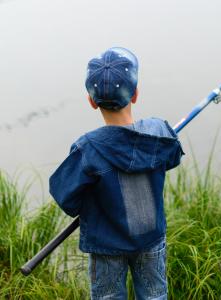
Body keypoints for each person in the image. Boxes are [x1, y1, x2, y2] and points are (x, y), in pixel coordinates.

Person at [49, 47, 184, 300]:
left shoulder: (87, 149)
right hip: (151, 241)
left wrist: (91, 201)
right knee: (155, 296)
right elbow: (173, 156)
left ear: (91, 101)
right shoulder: (159, 131)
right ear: (135, 94)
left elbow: (65, 196)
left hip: (106, 245)